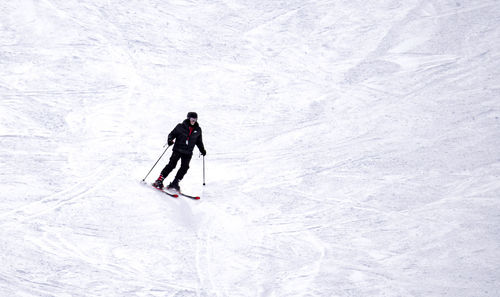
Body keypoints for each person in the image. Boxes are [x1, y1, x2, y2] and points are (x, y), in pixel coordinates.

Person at [153, 112, 206, 191]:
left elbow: (199, 141)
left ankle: (175, 182)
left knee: (185, 167)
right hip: (178, 150)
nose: (193, 121)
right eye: (192, 119)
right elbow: (171, 134)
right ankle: (159, 180)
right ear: (188, 118)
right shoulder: (180, 126)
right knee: (172, 165)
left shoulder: (198, 130)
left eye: (195, 119)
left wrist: (202, 150)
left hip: (188, 152)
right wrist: (170, 140)